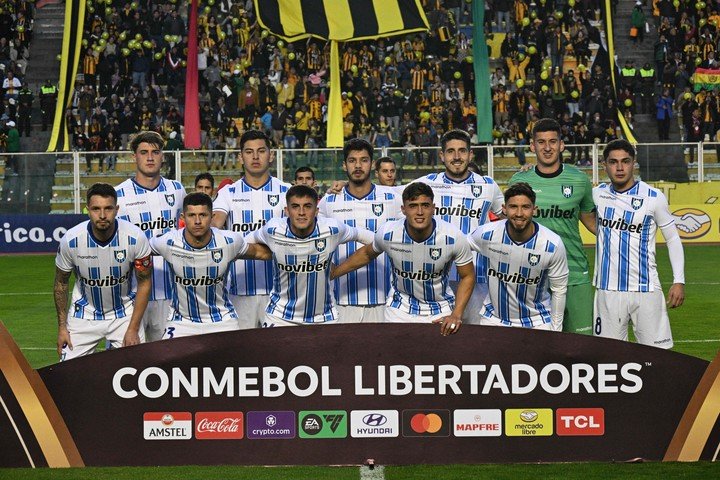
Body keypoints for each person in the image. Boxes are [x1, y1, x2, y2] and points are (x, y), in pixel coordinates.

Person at [331, 182, 475, 335]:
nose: (419, 212)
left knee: (440, 358)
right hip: (399, 310)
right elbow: (367, 253)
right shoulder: (389, 233)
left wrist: (456, 314)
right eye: (413, 206)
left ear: (433, 208)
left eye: (425, 205)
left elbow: (467, 275)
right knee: (395, 358)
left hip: (440, 310)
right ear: (403, 210)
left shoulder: (453, 237)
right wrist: (335, 272)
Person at [593, 139, 685, 349]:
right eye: (613, 162)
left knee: (657, 355)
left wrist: (679, 280)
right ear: (604, 165)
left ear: (634, 163)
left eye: (625, 161)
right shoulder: (597, 195)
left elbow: (672, 238)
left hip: (646, 288)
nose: (619, 167)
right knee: (609, 356)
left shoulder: (653, 197)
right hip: (608, 289)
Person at [508, 118, 596, 335]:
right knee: (538, 344)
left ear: (561, 145)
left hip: (574, 272)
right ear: (532, 146)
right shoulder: (519, 181)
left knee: (582, 343)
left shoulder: (579, 180)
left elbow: (590, 220)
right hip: (532, 275)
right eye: (541, 142)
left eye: (553, 141)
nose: (547, 148)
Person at [413, 129, 504, 323]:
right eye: (450, 151)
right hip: (435, 277)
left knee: (476, 338)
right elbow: (386, 193)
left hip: (477, 276)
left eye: (462, 151)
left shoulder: (488, 186)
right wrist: (346, 185)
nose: (456, 157)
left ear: (470, 154)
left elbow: (508, 215)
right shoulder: (426, 184)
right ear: (442, 156)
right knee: (439, 340)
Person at [249, 185, 374, 327]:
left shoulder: (332, 229)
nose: (301, 212)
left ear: (317, 211)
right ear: (286, 211)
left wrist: (337, 271)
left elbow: (372, 240)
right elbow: (243, 244)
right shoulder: (273, 229)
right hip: (280, 318)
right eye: (295, 206)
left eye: (307, 206)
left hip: (325, 318)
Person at [150, 193, 272, 338]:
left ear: (212, 216)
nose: (197, 221)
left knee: (237, 360)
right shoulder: (168, 242)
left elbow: (261, 253)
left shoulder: (229, 241)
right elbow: (138, 250)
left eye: (203, 215)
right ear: (182, 218)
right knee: (168, 359)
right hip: (182, 322)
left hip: (222, 320)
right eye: (191, 215)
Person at [54, 183, 153, 361]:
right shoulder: (71, 240)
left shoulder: (135, 237)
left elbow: (145, 282)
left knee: (139, 370)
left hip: (124, 315)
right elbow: (61, 283)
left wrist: (133, 328)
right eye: (96, 209)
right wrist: (62, 327)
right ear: (87, 210)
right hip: (83, 315)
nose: (102, 215)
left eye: (108, 208)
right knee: (67, 374)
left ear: (117, 209)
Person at [212, 130, 292, 329]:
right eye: (249, 152)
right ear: (240, 157)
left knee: (279, 355)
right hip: (238, 292)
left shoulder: (287, 192)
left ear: (271, 155)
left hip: (279, 293)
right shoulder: (228, 193)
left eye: (261, 151)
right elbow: (213, 226)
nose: (255, 157)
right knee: (241, 357)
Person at [318, 138, 403, 323]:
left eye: (364, 160)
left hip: (386, 299)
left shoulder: (393, 199)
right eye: (352, 161)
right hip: (341, 300)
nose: (358, 165)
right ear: (344, 165)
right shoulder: (329, 202)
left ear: (372, 164)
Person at [468, 182, 569, 330]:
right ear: (504, 209)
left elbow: (559, 290)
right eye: (513, 207)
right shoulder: (486, 235)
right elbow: (456, 247)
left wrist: (556, 330)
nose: (519, 213)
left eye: (526, 207)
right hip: (494, 320)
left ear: (534, 210)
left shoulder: (552, 244)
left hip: (537, 321)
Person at [115, 131, 186, 342]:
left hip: (171, 293)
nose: (150, 157)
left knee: (170, 359)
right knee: (130, 359)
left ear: (163, 156)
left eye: (155, 152)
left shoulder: (177, 190)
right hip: (131, 295)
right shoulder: (119, 194)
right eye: (143, 152)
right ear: (134, 157)